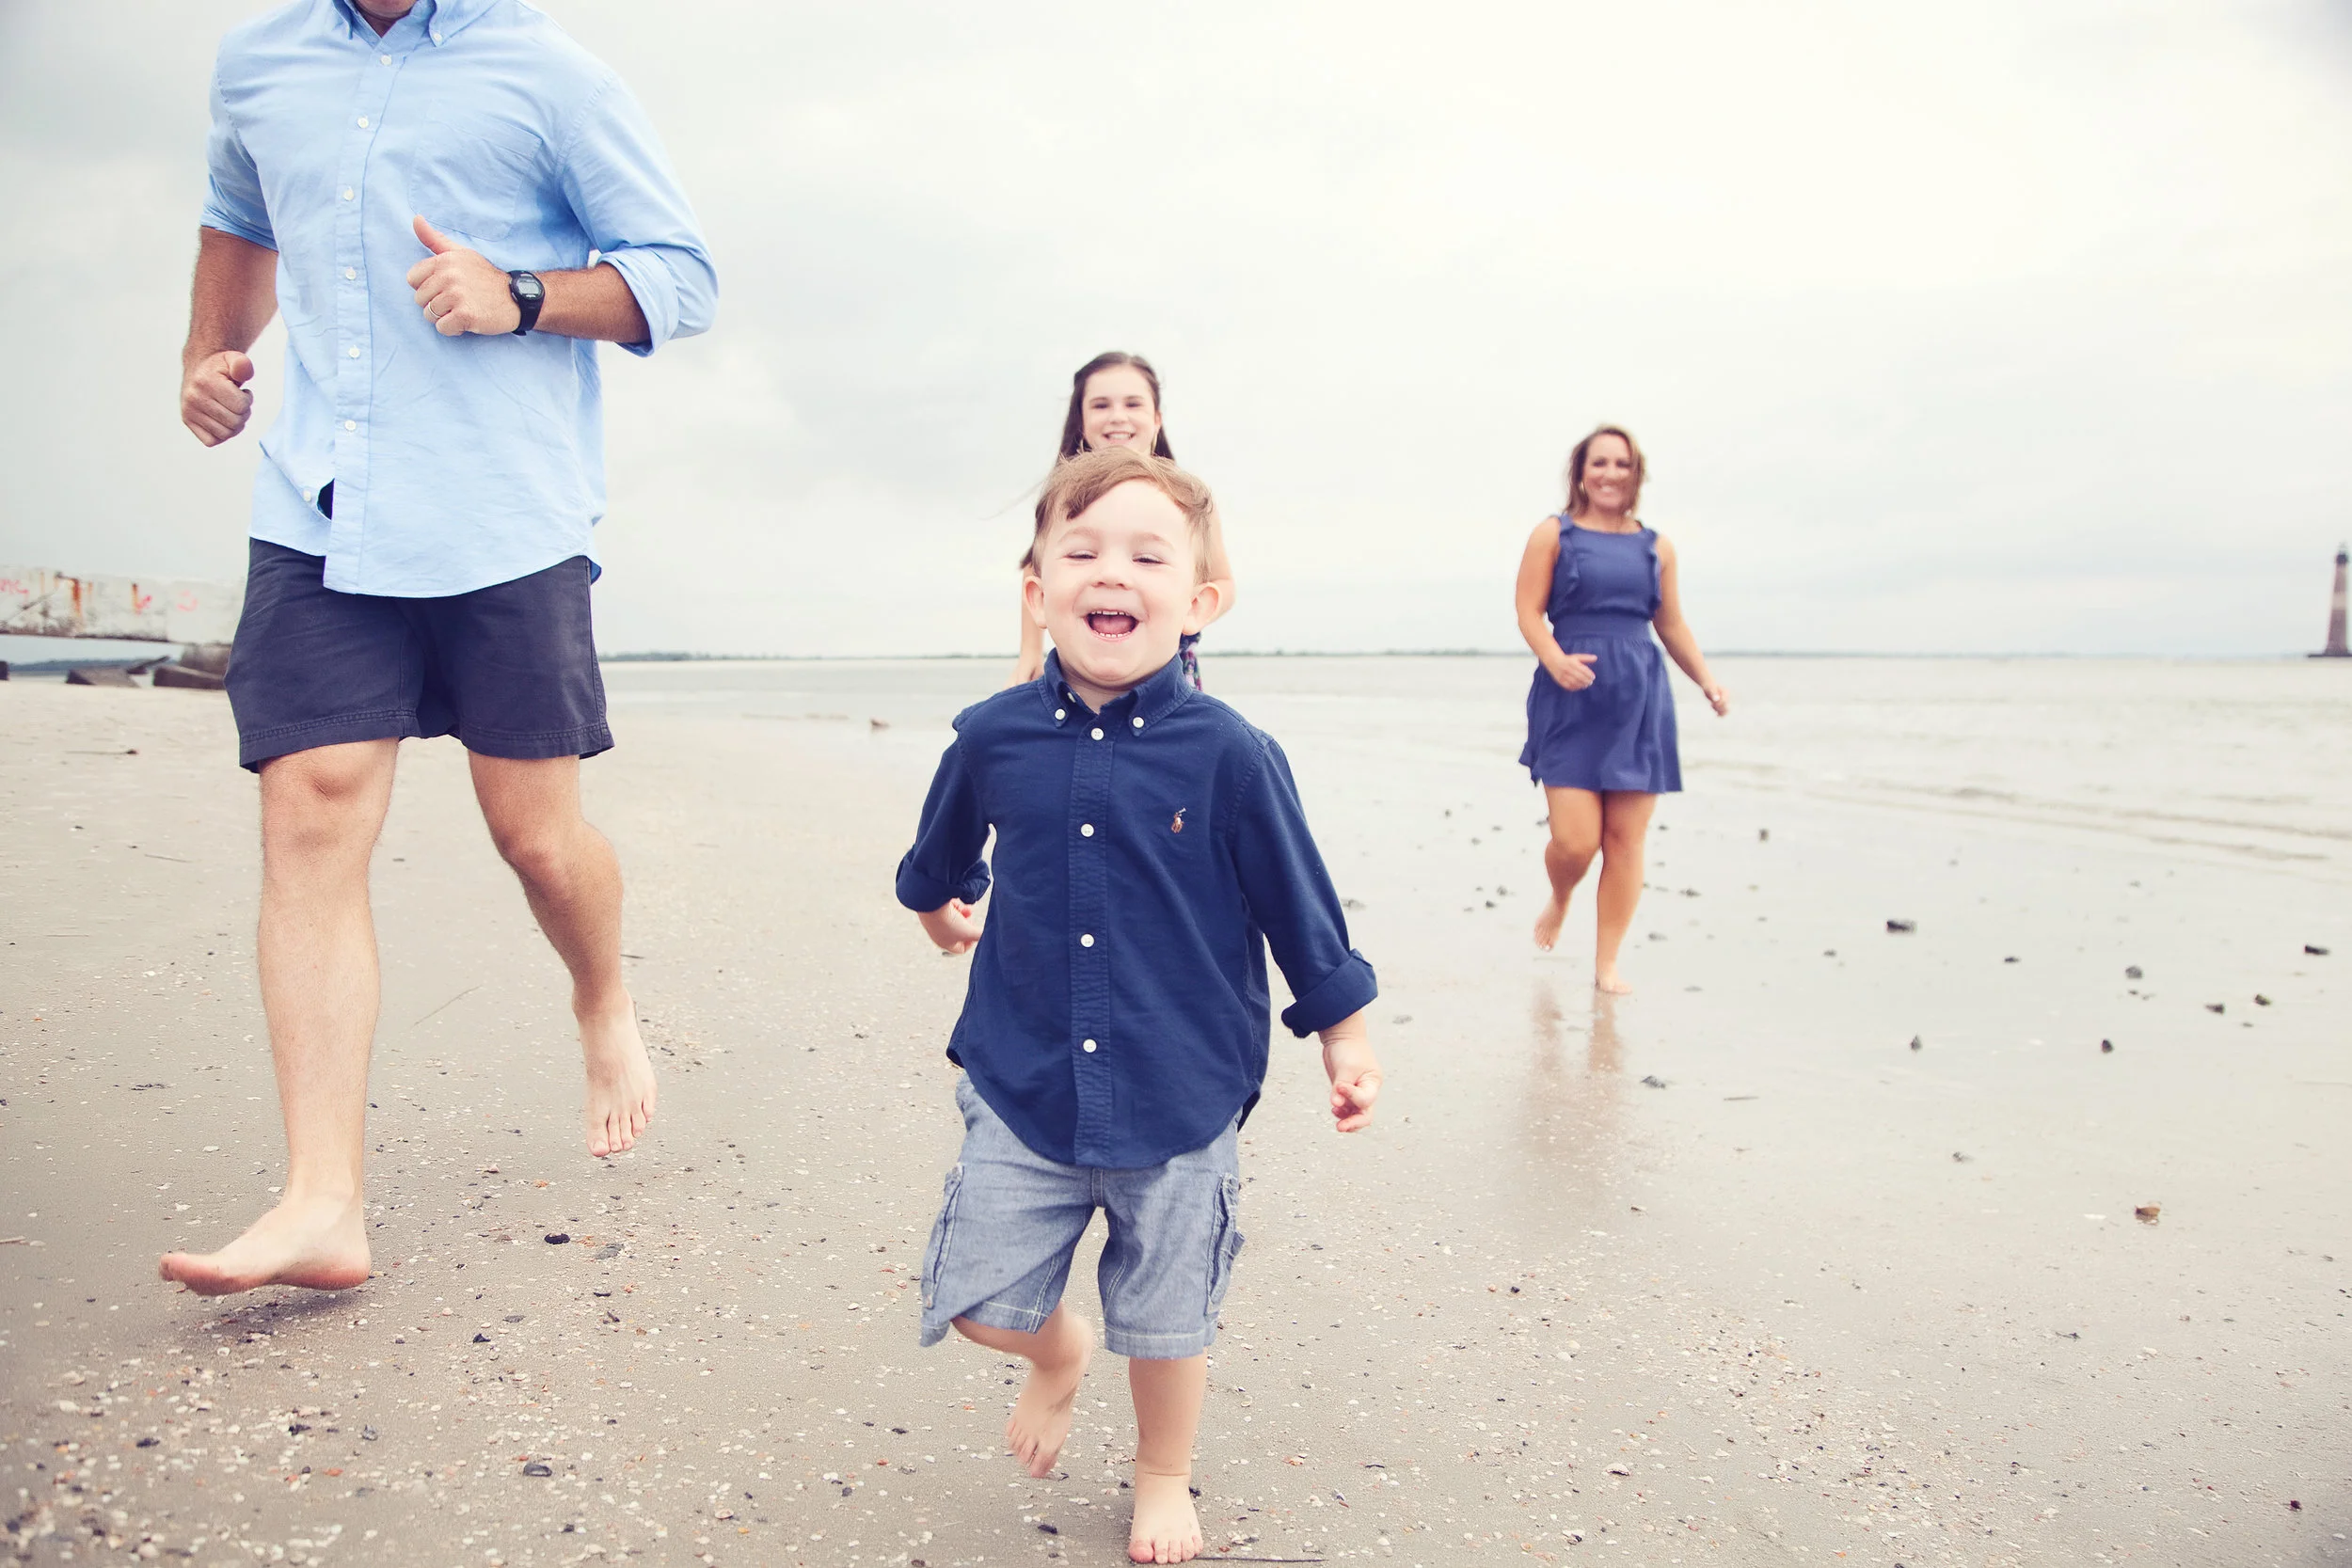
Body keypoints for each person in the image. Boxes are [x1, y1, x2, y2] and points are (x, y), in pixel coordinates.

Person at [161, 0, 716, 1297]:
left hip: (502, 510)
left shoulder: (550, 75)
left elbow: (681, 277)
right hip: (320, 501)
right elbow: (239, 222)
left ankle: (601, 998)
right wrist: (207, 352)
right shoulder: (258, 63)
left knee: (534, 833)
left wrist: (520, 294)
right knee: (311, 805)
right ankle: (322, 1199)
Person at [901, 447, 1382, 1564]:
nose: (1110, 571)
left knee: (1168, 1321)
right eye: (1082, 550)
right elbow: (937, 860)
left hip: (1182, 1087)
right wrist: (940, 911)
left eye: (1146, 554)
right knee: (981, 1304)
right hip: (1023, 1079)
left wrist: (1344, 1036)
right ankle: (1058, 1353)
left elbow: (1299, 905)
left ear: (1200, 598)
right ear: (1037, 588)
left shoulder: (1230, 753)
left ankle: (1162, 1473)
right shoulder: (993, 733)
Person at [1514, 425, 1726, 992]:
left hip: (1639, 699)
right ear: (1581, 472)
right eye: (1600, 463)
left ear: (1637, 474)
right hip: (1571, 696)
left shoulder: (1657, 546)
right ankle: (1561, 896)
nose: (1611, 474)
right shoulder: (1551, 534)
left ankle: (1607, 964)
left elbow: (1671, 623)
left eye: (1623, 464)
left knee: (1626, 841)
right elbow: (1529, 612)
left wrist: (1706, 680)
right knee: (1577, 840)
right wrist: (1554, 658)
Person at [1010, 352, 1236, 690]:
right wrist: (1029, 653)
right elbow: (1037, 570)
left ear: (1157, 419)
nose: (1117, 417)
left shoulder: (1187, 500)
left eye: (1133, 404)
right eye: (1101, 405)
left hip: (1166, 664)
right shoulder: (1066, 493)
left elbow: (1224, 584)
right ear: (1081, 421)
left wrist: (1176, 616)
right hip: (1089, 658)